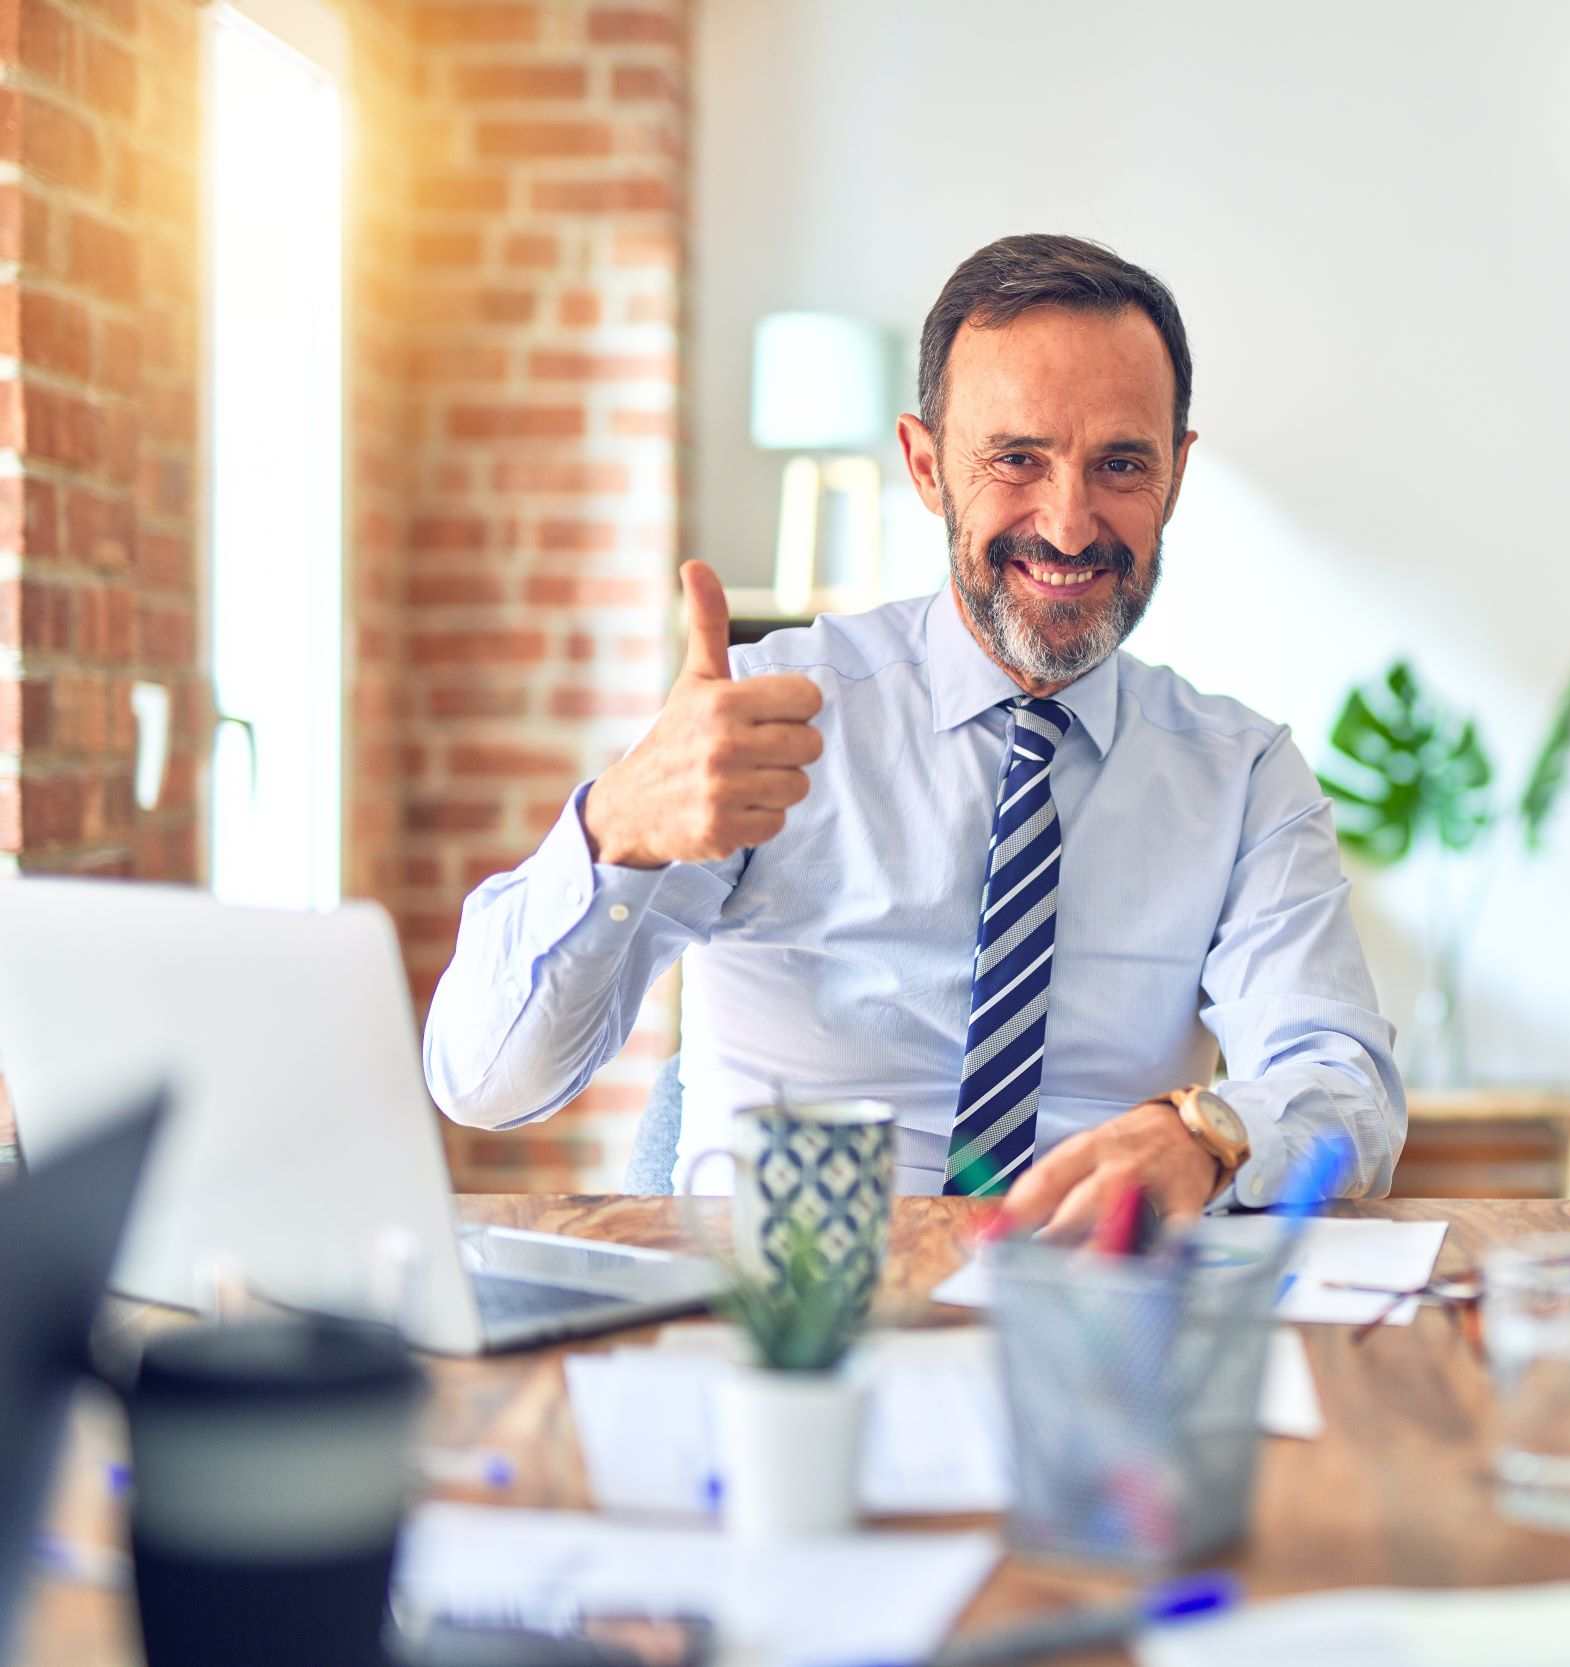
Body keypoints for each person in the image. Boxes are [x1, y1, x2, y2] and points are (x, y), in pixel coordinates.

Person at [423, 234, 1404, 1235]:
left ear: (1177, 476)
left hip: (1084, 1315)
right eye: (1016, 459)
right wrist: (615, 826)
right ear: (926, 467)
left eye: (1119, 463)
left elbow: (1342, 1081)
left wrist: (1208, 1134)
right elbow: (486, 1081)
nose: (1069, 525)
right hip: (787, 1316)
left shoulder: (1242, 774)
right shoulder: (768, 715)